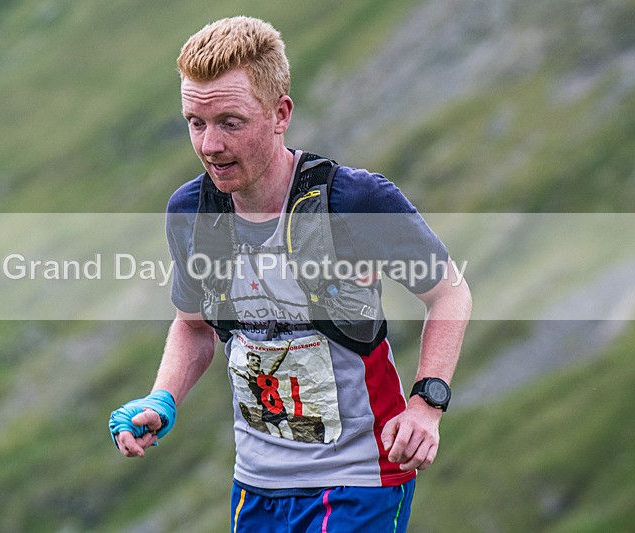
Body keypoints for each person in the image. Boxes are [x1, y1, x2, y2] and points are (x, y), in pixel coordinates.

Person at [109, 16, 472, 532]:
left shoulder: (354, 201)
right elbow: (193, 326)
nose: (210, 145)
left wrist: (427, 403)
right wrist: (161, 399)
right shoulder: (192, 212)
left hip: (360, 479)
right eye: (196, 122)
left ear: (280, 114)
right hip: (255, 488)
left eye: (230, 122)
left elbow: (449, 293)